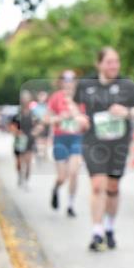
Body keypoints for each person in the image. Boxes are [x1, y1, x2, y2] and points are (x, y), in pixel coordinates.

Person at [75, 48, 134, 252]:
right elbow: (71, 105)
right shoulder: (85, 85)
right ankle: (96, 232)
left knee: (113, 187)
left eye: (116, 62)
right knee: (98, 185)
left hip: (118, 144)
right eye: (109, 62)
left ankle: (109, 228)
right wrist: (78, 117)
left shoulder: (128, 87)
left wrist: (128, 112)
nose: (114, 66)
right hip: (93, 142)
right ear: (98, 63)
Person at [46, 70, 86, 216]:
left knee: (74, 172)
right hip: (60, 138)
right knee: (63, 177)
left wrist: (73, 110)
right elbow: (47, 119)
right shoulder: (55, 98)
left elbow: (85, 119)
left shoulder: (81, 98)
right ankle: (56, 188)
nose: (69, 83)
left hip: (76, 138)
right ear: (62, 82)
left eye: (72, 80)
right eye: (66, 80)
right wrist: (59, 118)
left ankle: (70, 204)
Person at [11, 91, 37, 188]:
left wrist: (35, 132)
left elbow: (38, 126)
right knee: (19, 162)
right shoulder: (17, 114)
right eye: (23, 99)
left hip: (29, 140)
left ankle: (26, 180)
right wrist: (17, 132)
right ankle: (19, 176)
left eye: (27, 99)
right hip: (19, 140)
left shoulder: (33, 114)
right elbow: (12, 126)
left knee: (28, 162)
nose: (25, 101)